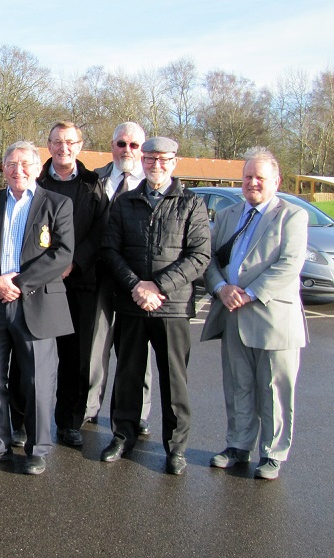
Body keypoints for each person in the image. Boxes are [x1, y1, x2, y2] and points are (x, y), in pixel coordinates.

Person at [99, 136, 210, 475]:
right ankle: (123, 436)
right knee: (128, 376)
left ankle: (176, 448)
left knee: (175, 382)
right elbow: (110, 250)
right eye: (149, 159)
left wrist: (157, 286)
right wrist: (136, 286)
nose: (156, 165)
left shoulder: (191, 203)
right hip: (132, 304)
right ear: (142, 161)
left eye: (163, 159)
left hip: (172, 306)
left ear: (174, 162)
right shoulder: (125, 202)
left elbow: (199, 256)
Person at [0, 140, 74, 475]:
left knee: (38, 380)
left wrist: (19, 283)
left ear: (38, 168)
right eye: (11, 164)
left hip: (36, 304)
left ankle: (38, 449)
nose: (18, 170)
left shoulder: (58, 204)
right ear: (4, 168)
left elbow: (62, 254)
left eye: (25, 163)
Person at [201, 147, 307, 480]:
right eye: (248, 177)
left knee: (274, 390)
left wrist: (249, 293)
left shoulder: (291, 216)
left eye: (260, 177)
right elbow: (208, 259)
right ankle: (237, 445)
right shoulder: (228, 215)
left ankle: (272, 453)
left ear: (276, 181)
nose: (253, 183)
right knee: (238, 386)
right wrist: (221, 288)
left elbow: (289, 264)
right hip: (232, 313)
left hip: (273, 318)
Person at [36, 121, 108, 448]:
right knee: (31, 355)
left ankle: (69, 421)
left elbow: (101, 231)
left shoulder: (94, 185)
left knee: (76, 357)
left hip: (80, 282)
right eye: (57, 142)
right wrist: (47, 267)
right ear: (49, 145)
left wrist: (73, 262)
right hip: (38, 281)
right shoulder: (35, 180)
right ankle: (25, 420)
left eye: (70, 142)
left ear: (79, 146)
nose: (63, 147)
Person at [89, 122, 153, 434]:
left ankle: (137, 414)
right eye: (121, 144)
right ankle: (89, 407)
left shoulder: (153, 182)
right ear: (112, 145)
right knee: (95, 345)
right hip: (99, 275)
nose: (127, 150)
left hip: (138, 279)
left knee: (137, 351)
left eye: (134, 145)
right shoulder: (94, 179)